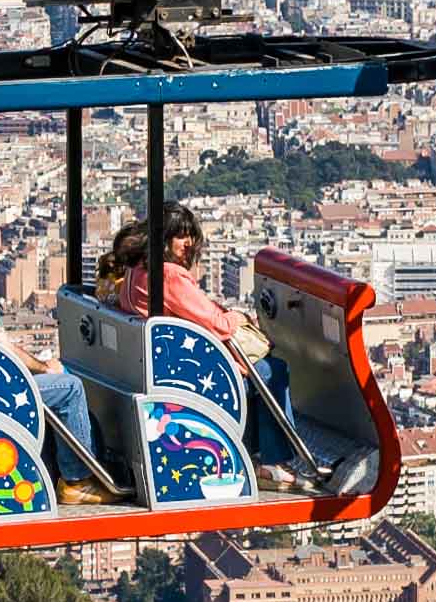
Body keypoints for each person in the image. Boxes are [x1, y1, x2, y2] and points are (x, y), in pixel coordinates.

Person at [0, 215, 129, 506]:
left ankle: (71, 467)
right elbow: (4, 350)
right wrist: (44, 368)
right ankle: (77, 480)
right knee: (69, 387)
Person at [112, 204, 305, 486]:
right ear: (162, 238)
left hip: (159, 367)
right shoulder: (169, 275)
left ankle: (256, 455)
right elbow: (218, 324)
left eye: (191, 236)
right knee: (271, 370)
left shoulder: (136, 270)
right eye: (180, 236)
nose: (188, 244)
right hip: (187, 376)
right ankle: (272, 461)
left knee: (261, 371)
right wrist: (238, 317)